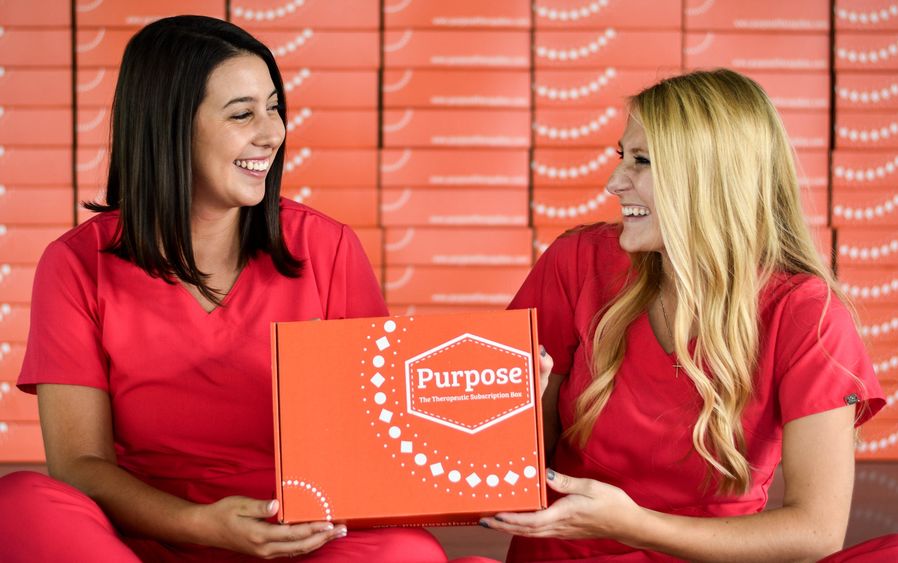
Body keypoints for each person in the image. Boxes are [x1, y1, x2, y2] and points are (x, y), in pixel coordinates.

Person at [0, 15, 447, 562]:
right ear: (169, 127)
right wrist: (201, 526)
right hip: (144, 541)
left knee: (407, 552)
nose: (272, 132)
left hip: (299, 543)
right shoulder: (74, 264)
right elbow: (79, 465)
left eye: (274, 107)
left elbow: (377, 441)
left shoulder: (327, 247)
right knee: (18, 502)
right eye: (242, 114)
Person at [481, 69, 887, 561]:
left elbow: (816, 533)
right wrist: (505, 415)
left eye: (642, 161)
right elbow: (504, 473)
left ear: (711, 177)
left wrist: (638, 526)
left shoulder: (805, 312)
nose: (614, 183)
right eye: (621, 157)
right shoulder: (576, 262)